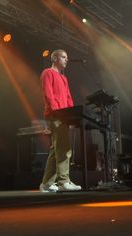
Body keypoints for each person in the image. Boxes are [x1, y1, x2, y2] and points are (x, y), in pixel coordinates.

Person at [39, 49, 82, 192]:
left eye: (67, 57)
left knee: (56, 148)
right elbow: (48, 94)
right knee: (64, 148)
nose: (66, 60)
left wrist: (71, 115)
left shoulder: (64, 78)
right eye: (64, 57)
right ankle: (64, 181)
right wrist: (58, 112)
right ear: (55, 58)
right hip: (55, 115)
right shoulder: (47, 73)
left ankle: (46, 184)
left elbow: (69, 98)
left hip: (64, 116)